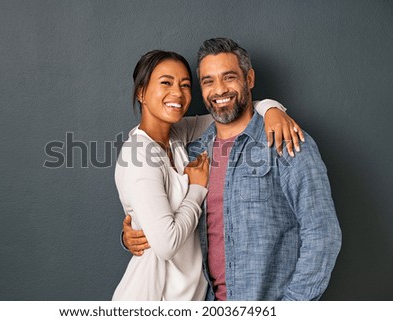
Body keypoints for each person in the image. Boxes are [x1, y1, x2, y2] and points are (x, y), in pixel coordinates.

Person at [123, 38, 342, 301]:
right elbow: (166, 215)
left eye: (229, 77)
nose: (219, 90)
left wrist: (270, 107)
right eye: (208, 81)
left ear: (249, 79)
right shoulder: (194, 152)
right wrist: (132, 232)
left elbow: (322, 235)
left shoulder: (286, 141)